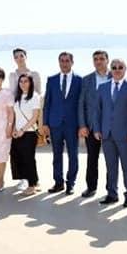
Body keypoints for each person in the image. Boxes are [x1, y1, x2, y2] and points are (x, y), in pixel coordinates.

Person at [92, 59, 127, 207]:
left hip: (125, 135)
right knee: (111, 167)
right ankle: (112, 194)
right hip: (107, 134)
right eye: (114, 67)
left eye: (120, 67)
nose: (117, 70)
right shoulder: (102, 87)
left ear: (125, 69)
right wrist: (97, 129)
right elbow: (97, 110)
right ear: (110, 69)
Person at [42, 52, 83, 195]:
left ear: (72, 62)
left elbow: (82, 104)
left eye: (67, 61)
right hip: (55, 124)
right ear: (59, 62)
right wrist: (45, 123)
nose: (64, 63)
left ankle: (70, 183)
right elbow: (47, 103)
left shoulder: (79, 80)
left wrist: (82, 125)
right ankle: (58, 183)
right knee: (56, 155)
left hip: (72, 124)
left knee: (73, 155)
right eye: (62, 61)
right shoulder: (52, 80)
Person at [78, 50, 111, 198]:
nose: (98, 61)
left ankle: (111, 189)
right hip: (91, 125)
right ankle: (91, 187)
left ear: (107, 60)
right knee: (92, 158)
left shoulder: (115, 76)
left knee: (111, 160)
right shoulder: (87, 79)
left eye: (101, 59)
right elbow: (81, 103)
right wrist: (82, 125)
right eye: (96, 59)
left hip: (110, 125)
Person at [8, 48, 41, 190]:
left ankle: (31, 184)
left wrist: (23, 129)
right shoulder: (17, 94)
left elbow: (35, 114)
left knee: (28, 157)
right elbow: (13, 107)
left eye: (21, 56)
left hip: (29, 128)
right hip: (18, 125)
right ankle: (30, 180)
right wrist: (14, 127)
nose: (19, 58)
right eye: (16, 57)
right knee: (17, 155)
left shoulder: (34, 94)